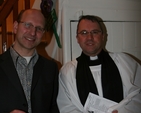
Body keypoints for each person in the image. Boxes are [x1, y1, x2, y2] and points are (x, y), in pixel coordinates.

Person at [57, 15, 141, 113]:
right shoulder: (67, 72)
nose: (90, 37)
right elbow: (66, 107)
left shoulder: (125, 62)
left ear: (103, 36)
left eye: (95, 32)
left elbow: (138, 95)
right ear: (77, 38)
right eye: (84, 33)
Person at [0, 9, 59, 113]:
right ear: (15, 27)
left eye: (39, 28)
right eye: (28, 25)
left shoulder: (51, 68)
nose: (33, 33)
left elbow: (53, 108)